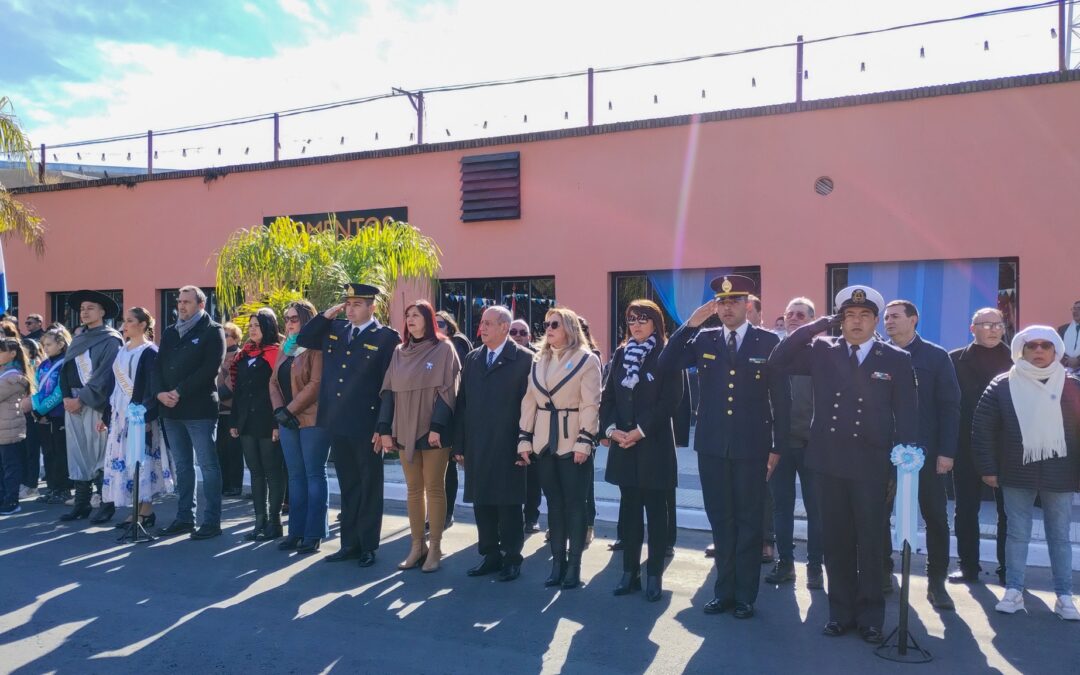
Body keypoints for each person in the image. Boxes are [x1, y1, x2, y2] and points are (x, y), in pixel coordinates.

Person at [769, 285, 917, 644]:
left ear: (876, 321)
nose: (856, 322)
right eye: (848, 316)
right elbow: (778, 359)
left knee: (868, 542)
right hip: (828, 462)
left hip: (871, 464)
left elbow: (908, 415)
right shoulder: (822, 350)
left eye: (864, 316)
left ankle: (870, 617)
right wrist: (817, 324)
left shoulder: (895, 358)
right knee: (836, 541)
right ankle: (840, 613)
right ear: (840, 319)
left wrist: (903, 465)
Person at [660, 275, 789, 620]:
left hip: (752, 445)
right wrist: (690, 323)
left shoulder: (767, 341)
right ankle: (724, 591)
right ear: (714, 307)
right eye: (721, 303)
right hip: (713, 444)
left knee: (748, 521)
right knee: (721, 520)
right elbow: (667, 362)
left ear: (747, 306)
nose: (727, 308)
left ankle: (745, 595)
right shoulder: (704, 337)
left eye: (734, 302)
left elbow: (781, 397)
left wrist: (778, 445)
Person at [972, 326, 1080, 620]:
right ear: (1021, 350)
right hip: (1015, 470)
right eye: (1032, 345)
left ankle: (1064, 596)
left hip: (1061, 472)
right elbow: (983, 428)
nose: (1039, 351)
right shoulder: (1002, 384)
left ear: (1056, 350)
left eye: (1046, 345)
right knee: (1017, 533)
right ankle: (1014, 591)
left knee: (1059, 536)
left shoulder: (1072, 384)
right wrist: (988, 468)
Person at [298, 283, 398, 568]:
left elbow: (387, 387)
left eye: (357, 304)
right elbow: (305, 338)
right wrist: (327, 315)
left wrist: (383, 425)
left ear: (372, 307)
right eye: (348, 303)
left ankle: (368, 545)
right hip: (337, 420)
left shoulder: (386, 337)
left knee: (369, 485)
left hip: (366, 423)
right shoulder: (336, 329)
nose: (350, 309)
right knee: (348, 483)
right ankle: (349, 543)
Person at [882, 300, 960, 610]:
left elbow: (950, 407)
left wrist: (947, 452)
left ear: (914, 320)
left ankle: (936, 582)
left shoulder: (936, 356)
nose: (889, 322)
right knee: (878, 516)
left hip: (926, 453)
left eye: (896, 317)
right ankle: (884, 572)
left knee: (936, 519)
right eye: (886, 317)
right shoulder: (878, 354)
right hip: (885, 453)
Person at [602, 299, 682, 601]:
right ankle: (629, 573)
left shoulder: (666, 355)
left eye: (642, 320)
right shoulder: (621, 353)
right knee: (630, 512)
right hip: (624, 445)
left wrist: (640, 430)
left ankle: (653, 576)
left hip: (654, 445)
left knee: (656, 514)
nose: (636, 325)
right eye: (632, 320)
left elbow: (671, 401)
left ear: (655, 323)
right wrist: (611, 429)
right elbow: (608, 397)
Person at [518, 307, 602, 589]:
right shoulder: (538, 360)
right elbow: (529, 400)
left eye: (555, 323)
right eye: (546, 324)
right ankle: (557, 564)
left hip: (572, 439)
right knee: (553, 503)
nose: (548, 328)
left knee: (575, 504)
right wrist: (524, 438)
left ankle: (574, 565)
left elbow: (591, 403)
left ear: (569, 327)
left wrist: (586, 439)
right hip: (543, 439)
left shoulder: (587, 360)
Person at [378, 300, 460, 572]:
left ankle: (435, 546)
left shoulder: (443, 348)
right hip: (403, 428)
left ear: (428, 319)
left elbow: (448, 391)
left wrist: (437, 426)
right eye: (407, 315)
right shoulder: (399, 352)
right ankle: (417, 546)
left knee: (434, 488)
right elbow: (388, 391)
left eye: (416, 315)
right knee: (413, 490)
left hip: (434, 431)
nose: (410, 319)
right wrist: (385, 429)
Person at [455, 306, 532, 581]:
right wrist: (459, 445)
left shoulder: (524, 360)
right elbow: (462, 403)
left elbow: (531, 407)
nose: (482, 328)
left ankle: (512, 558)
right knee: (482, 502)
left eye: (488, 323)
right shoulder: (474, 358)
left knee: (508, 504)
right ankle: (490, 555)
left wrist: (526, 443)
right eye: (481, 323)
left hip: (509, 443)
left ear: (504, 327)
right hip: (477, 443)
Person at [151, 285, 227, 540]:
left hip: (199, 410)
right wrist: (160, 393)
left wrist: (179, 391)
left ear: (201, 305)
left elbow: (209, 369)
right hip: (170, 410)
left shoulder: (213, 331)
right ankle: (185, 518)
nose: (181, 306)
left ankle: (212, 521)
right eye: (179, 301)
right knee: (183, 466)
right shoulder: (171, 332)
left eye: (187, 302)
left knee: (207, 465)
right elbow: (158, 366)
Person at [949, 308, 1012, 585]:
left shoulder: (1017, 359)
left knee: (1008, 511)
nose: (992, 329)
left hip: (1008, 447)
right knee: (965, 508)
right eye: (985, 324)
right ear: (971, 328)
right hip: (966, 445)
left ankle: (1008, 568)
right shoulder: (954, 360)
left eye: (997, 324)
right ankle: (968, 566)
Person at [765, 297, 824, 590]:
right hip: (780, 445)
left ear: (812, 321)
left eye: (801, 315)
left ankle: (815, 566)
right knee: (781, 507)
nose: (794, 318)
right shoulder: (777, 352)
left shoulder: (823, 352)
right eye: (790, 314)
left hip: (813, 445)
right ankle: (785, 562)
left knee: (817, 509)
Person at [100, 308, 174, 528]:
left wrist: (147, 416)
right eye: (124, 321)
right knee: (126, 459)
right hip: (120, 416)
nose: (125, 325)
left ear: (143, 325)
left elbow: (152, 386)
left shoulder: (150, 351)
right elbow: (113, 384)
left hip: (140, 417)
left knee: (142, 459)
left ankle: (146, 510)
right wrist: (106, 413)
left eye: (130, 321)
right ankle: (135, 507)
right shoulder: (122, 351)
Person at [59, 291, 123, 523]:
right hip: (73, 402)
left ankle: (106, 503)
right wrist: (66, 396)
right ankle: (82, 504)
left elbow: (105, 374)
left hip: (96, 403)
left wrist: (81, 399)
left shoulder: (110, 339)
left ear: (102, 312)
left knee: (99, 454)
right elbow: (66, 370)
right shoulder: (78, 338)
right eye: (83, 308)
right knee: (78, 453)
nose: (85, 312)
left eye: (91, 308)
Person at [270, 300, 327, 553]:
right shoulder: (287, 346)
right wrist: (279, 411)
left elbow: (316, 384)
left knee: (314, 474)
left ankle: (313, 534)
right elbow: (273, 382)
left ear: (306, 320)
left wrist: (290, 410)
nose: (289, 323)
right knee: (295, 477)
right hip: (287, 420)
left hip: (312, 419)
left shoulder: (317, 346)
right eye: (287, 319)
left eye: (294, 318)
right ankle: (296, 531)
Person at [231, 309, 284, 541]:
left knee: (273, 471)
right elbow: (238, 391)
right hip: (246, 421)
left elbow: (280, 391)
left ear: (268, 327)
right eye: (251, 325)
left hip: (268, 420)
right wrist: (234, 420)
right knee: (255, 472)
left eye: (258, 325)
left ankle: (275, 521)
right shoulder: (244, 354)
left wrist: (276, 423)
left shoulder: (276, 353)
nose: (252, 329)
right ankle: (259, 520)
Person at [25, 328, 72, 505]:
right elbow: (36, 388)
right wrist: (37, 410)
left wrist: (42, 410)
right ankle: (52, 487)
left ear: (61, 344)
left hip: (59, 414)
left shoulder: (65, 363)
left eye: (49, 344)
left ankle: (63, 488)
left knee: (60, 452)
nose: (45, 347)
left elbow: (60, 391)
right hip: (42, 415)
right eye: (44, 344)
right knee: (48, 452)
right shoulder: (44, 364)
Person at [436, 310, 471, 530]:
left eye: (440, 323)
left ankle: (447, 512)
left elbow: (451, 376)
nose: (436, 327)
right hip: (433, 413)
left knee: (449, 464)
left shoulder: (456, 343)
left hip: (454, 411)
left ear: (449, 326)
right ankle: (439, 511)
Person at [510, 318, 542, 532]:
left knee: (532, 476)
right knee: (511, 474)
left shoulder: (537, 359)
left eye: (523, 332)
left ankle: (531, 516)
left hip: (534, 425)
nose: (518, 335)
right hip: (509, 424)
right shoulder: (504, 356)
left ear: (529, 336)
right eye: (514, 331)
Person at [0, 338, 34, 514]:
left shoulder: (14, 377)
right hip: (3, 428)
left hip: (9, 428)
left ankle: (11, 501)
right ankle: (4, 499)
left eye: (1, 351)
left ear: (12, 354)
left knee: (10, 466)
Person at [579, 316, 603, 547]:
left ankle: (587, 524)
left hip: (585, 428)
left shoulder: (592, 356)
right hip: (559, 428)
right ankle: (564, 525)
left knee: (585, 482)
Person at [216, 322, 244, 497]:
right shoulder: (219, 355)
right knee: (220, 450)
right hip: (217, 411)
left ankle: (234, 485)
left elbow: (232, 385)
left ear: (235, 338)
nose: (223, 338)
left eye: (226, 335)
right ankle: (224, 483)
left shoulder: (238, 357)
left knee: (233, 450)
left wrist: (212, 396)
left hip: (232, 410)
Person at [1058, 300, 1080, 373]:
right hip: (1065, 369)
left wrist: (1078, 361)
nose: (1075, 311)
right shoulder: (1062, 329)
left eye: (1078, 308)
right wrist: (1066, 361)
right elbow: (1057, 348)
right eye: (1074, 309)